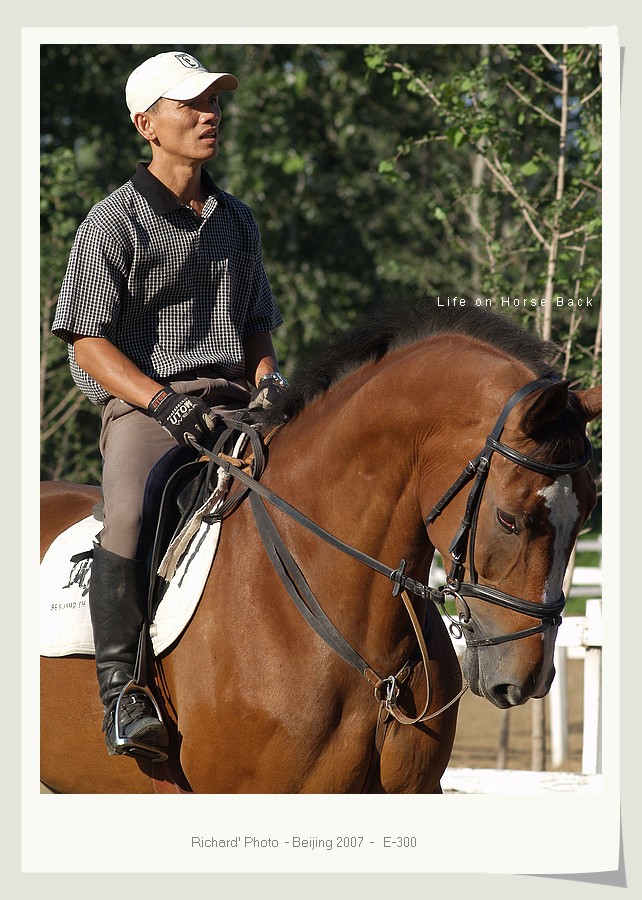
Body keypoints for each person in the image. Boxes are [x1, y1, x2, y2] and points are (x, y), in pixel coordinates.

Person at [52, 50, 287, 758]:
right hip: (145, 409)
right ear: (146, 124)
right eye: (192, 105)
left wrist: (272, 385)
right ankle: (123, 694)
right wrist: (161, 403)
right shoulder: (112, 221)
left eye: (214, 103)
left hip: (238, 403)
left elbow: (254, 327)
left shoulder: (237, 219)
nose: (210, 115)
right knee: (128, 511)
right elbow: (87, 343)